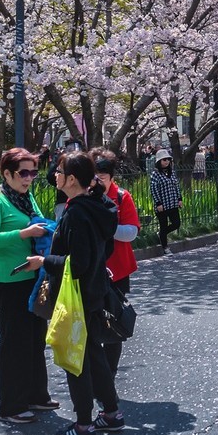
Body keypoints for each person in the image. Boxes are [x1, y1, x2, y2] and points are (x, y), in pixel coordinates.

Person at [22, 151, 123, 435]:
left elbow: (76, 264)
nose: (55, 174)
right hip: (94, 292)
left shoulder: (77, 213)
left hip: (75, 296)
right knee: (93, 354)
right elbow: (105, 252)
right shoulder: (99, 206)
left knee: (73, 359)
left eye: (60, 171)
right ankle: (112, 413)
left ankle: (83, 425)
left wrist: (43, 262)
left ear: (72, 180)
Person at [0, 148, 57, 424]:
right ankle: (11, 405)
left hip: (33, 278)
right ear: (7, 173)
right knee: (14, 342)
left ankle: (36, 395)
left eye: (33, 173)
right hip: (9, 280)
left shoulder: (26, 198)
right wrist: (24, 233)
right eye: (23, 173)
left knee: (36, 337)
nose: (29, 179)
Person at [90, 149, 139, 376]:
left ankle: (109, 374)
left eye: (102, 177)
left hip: (117, 269)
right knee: (89, 322)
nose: (98, 182)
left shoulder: (121, 196)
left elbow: (131, 232)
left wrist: (106, 228)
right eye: (94, 177)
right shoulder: (81, 196)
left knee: (112, 323)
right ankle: (94, 373)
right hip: (88, 269)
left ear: (111, 176)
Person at [149, 149, 182, 254]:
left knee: (176, 223)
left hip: (172, 203)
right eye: (164, 160)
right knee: (163, 225)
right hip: (162, 205)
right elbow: (154, 189)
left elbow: (176, 186)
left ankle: (161, 234)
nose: (166, 161)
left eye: (168, 159)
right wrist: (158, 203)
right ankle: (165, 247)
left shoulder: (171, 173)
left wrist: (179, 199)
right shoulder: (155, 174)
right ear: (159, 161)